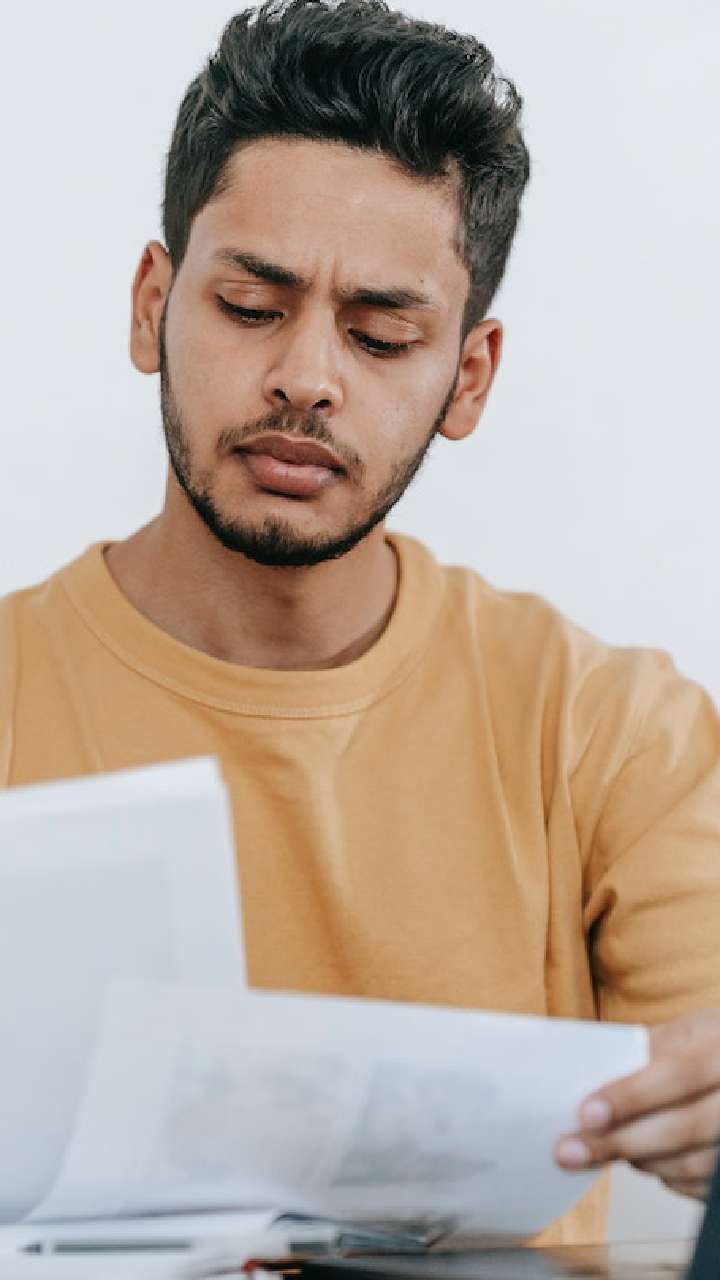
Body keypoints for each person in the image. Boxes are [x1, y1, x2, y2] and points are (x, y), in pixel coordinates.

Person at [1, 0, 719, 1248]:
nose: (308, 378)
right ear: (151, 304)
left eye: (382, 334)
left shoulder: (609, 732)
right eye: (250, 305)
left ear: (468, 378)